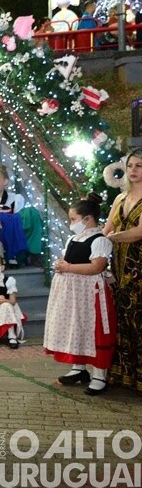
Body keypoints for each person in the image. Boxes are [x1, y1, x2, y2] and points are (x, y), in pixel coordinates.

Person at [45, 195, 115, 394]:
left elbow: (96, 267)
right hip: (72, 293)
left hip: (90, 293)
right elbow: (69, 259)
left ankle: (99, 374)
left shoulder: (99, 240)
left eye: (73, 219)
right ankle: (78, 368)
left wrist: (68, 267)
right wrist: (61, 264)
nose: (71, 223)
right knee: (75, 327)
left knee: (94, 330)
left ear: (88, 219)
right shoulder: (73, 238)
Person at [104, 148, 142, 392]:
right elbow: (106, 228)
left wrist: (113, 239)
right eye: (130, 166)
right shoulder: (119, 198)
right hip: (118, 268)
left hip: (139, 269)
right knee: (121, 318)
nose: (133, 171)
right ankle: (122, 374)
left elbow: (139, 232)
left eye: (139, 166)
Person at [0, 165, 43, 268]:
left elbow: (17, 219)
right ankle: (4, 258)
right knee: (1, 221)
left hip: (12, 229)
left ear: (5, 181)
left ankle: (34, 253)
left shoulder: (16, 198)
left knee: (31, 212)